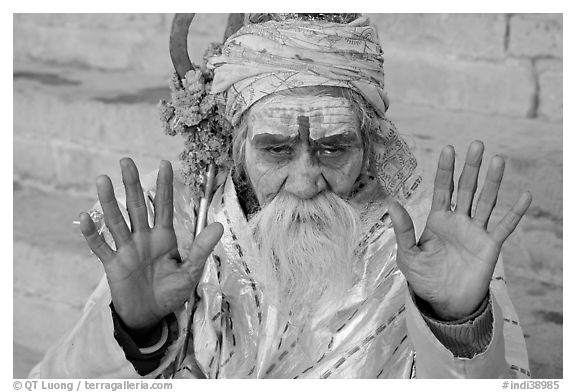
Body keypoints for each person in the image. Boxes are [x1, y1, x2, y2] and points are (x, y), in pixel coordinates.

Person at [30, 13, 532, 379]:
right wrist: (136, 333)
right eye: (276, 150)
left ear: (371, 145)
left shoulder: (432, 241)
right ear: (237, 146)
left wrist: (460, 324)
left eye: (334, 148)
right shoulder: (184, 223)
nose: (305, 180)